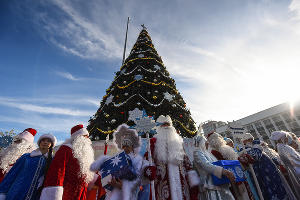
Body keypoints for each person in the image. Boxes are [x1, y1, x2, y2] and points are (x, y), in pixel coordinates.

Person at [90, 124, 151, 200]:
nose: (125, 148)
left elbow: (139, 181)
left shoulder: (138, 160)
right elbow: (107, 174)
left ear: (132, 147)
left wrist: (122, 186)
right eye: (124, 146)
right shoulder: (118, 158)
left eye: (127, 146)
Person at [145, 115, 198, 200]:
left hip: (182, 185)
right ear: (159, 128)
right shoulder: (153, 142)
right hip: (162, 185)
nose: (166, 127)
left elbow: (186, 161)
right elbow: (147, 160)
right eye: (163, 125)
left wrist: (192, 179)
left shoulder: (178, 142)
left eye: (168, 124)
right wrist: (148, 169)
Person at [40, 124, 95, 200]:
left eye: (88, 137)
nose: (88, 139)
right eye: (85, 136)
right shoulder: (66, 149)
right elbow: (57, 172)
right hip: (66, 193)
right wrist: (55, 195)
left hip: (81, 193)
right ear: (78, 137)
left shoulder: (84, 154)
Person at [239, 132, 296, 200]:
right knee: (270, 192)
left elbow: (272, 158)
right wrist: (257, 146)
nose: (251, 141)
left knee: (280, 190)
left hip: (272, 174)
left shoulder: (257, 147)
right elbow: (255, 156)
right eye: (249, 140)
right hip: (263, 176)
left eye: (251, 139)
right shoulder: (245, 150)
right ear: (244, 142)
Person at [0, 133, 56, 200]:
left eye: (48, 141)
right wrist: (2, 192)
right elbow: (12, 174)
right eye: (43, 140)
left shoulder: (53, 161)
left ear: (52, 144)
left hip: (35, 196)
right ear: (39, 142)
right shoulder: (26, 157)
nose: (45, 142)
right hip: (15, 193)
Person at [207, 132, 253, 200]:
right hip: (231, 178)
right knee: (240, 195)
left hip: (238, 174)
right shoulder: (213, 152)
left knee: (244, 194)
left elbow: (237, 159)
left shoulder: (224, 149)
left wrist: (244, 159)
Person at [193, 135, 235, 200]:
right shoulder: (197, 152)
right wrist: (223, 171)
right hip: (210, 184)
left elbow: (217, 164)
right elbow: (206, 165)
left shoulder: (208, 153)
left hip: (219, 183)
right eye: (205, 141)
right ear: (201, 142)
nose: (207, 143)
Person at [271, 131, 300, 199]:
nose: (287, 139)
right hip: (296, 169)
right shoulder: (282, 147)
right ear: (281, 139)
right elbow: (294, 159)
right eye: (285, 137)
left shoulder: (283, 146)